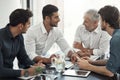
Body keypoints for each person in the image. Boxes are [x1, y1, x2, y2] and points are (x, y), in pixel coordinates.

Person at [77, 5, 120, 78]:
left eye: (100, 20)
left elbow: (110, 72)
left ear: (105, 22)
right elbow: (112, 62)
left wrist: (88, 66)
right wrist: (92, 62)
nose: (99, 23)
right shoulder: (117, 35)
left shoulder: (116, 39)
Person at [0, 9, 45, 77]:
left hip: (10, 76)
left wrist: (34, 65)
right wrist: (27, 72)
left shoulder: (19, 36)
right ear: (21, 26)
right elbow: (1, 72)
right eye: (28, 23)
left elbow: (23, 58)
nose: (29, 26)